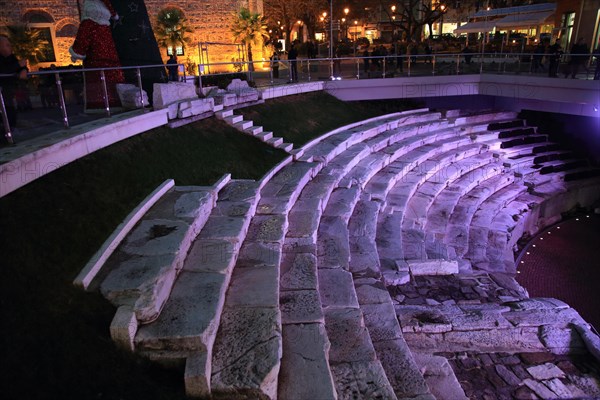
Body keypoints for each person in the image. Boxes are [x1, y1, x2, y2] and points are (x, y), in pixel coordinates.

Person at [69, 0, 124, 110]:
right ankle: (115, 104)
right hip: (112, 63)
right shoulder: (106, 27)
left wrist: (76, 54)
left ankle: (100, 107)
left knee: (99, 90)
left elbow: (82, 40)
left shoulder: (88, 23)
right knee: (112, 87)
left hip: (96, 63)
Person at [0, 34, 28, 136]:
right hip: (2, 91)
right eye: (7, 45)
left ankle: (10, 131)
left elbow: (19, 66)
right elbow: (4, 71)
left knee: (10, 111)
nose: (10, 47)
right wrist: (19, 66)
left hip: (8, 91)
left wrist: (24, 69)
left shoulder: (11, 57)